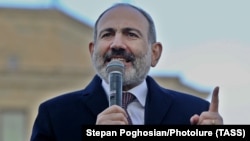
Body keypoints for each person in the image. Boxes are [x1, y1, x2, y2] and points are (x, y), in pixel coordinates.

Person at [30, 3, 223, 141]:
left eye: (131, 34)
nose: (117, 44)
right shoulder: (55, 115)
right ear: (92, 51)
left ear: (154, 53)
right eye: (107, 34)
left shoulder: (194, 113)